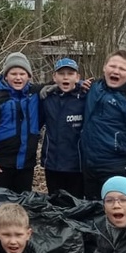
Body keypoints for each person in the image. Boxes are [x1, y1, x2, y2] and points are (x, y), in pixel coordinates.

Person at [79, 51, 126, 201]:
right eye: (112, 66)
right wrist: (79, 84)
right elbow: (66, 83)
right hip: (88, 165)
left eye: (122, 69)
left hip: (116, 167)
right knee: (91, 212)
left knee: (117, 213)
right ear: (105, 67)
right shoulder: (93, 88)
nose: (116, 71)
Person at [0, 52, 42, 194]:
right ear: (6, 76)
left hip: (26, 165)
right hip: (0, 165)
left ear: (29, 76)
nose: (18, 77)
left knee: (21, 206)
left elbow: (60, 84)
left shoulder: (35, 94)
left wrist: (81, 84)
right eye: (13, 73)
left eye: (22, 73)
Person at [39, 58, 87, 200]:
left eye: (70, 74)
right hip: (52, 163)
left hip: (76, 165)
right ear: (54, 77)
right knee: (55, 203)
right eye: (61, 73)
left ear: (77, 77)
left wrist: (83, 85)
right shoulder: (47, 98)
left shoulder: (86, 98)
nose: (66, 77)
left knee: (75, 205)